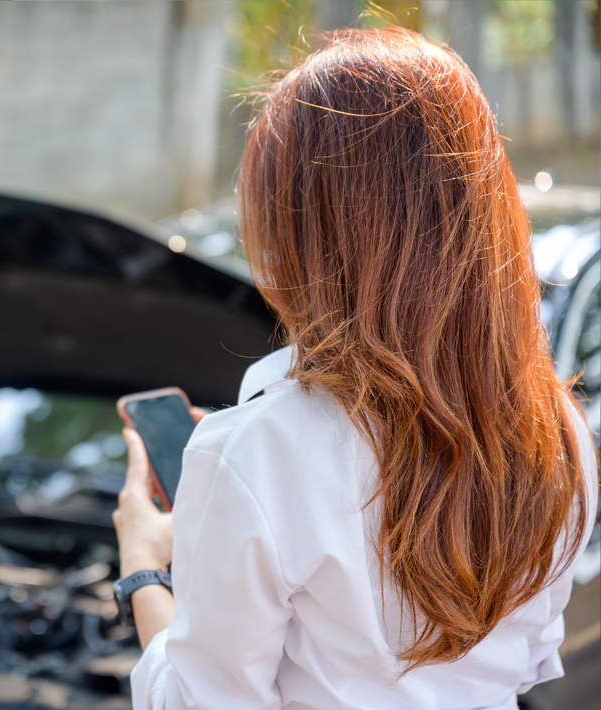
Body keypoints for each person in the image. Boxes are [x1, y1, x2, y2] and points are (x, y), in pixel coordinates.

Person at [111, 28, 598, 710]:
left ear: (300, 238)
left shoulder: (258, 453)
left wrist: (142, 563)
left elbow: (197, 703)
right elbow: (523, 661)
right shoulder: (561, 433)